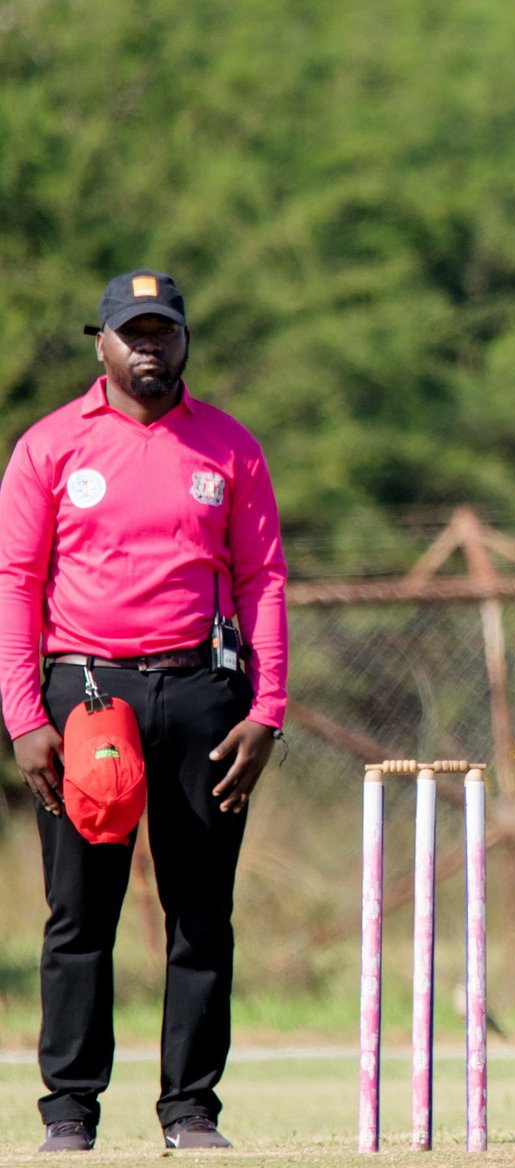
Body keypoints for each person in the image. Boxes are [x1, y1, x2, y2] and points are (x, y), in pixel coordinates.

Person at [0, 270, 288, 1152]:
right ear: (103, 343)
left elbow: (262, 578)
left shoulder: (229, 447)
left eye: (164, 332)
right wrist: (24, 719)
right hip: (87, 697)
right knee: (81, 915)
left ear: (185, 340)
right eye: (134, 333)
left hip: (205, 692)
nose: (149, 347)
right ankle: (70, 1112)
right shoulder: (51, 445)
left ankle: (190, 1109)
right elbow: (17, 581)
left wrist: (266, 707)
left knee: (202, 912)